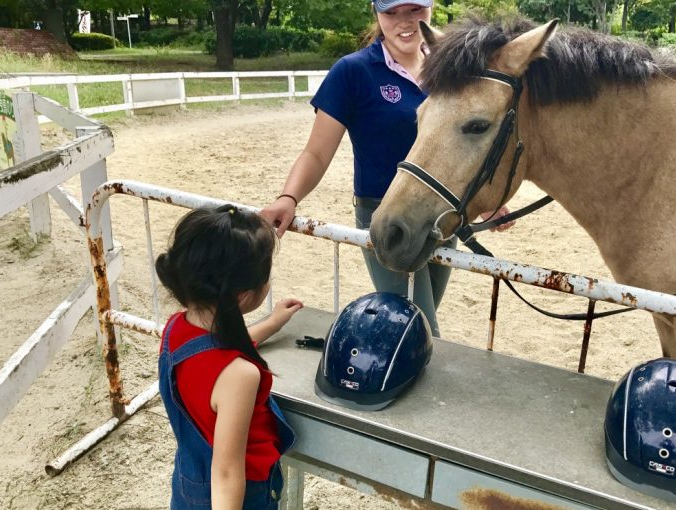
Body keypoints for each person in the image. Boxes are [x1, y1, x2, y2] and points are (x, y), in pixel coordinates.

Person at [260, 0, 513, 337]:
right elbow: (316, 153)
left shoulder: (453, 69)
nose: (404, 22)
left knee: (418, 323)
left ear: (430, 8)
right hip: (389, 218)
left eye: (414, 10)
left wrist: (484, 199)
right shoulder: (353, 72)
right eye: (391, 12)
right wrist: (288, 197)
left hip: (442, 215)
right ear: (376, 12)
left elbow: (469, 142)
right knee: (420, 331)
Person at [155, 204, 303, 510]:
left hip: (190, 481)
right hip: (242, 497)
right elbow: (226, 475)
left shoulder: (176, 328)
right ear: (243, 294)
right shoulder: (240, 375)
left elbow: (215, 349)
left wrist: (272, 324)